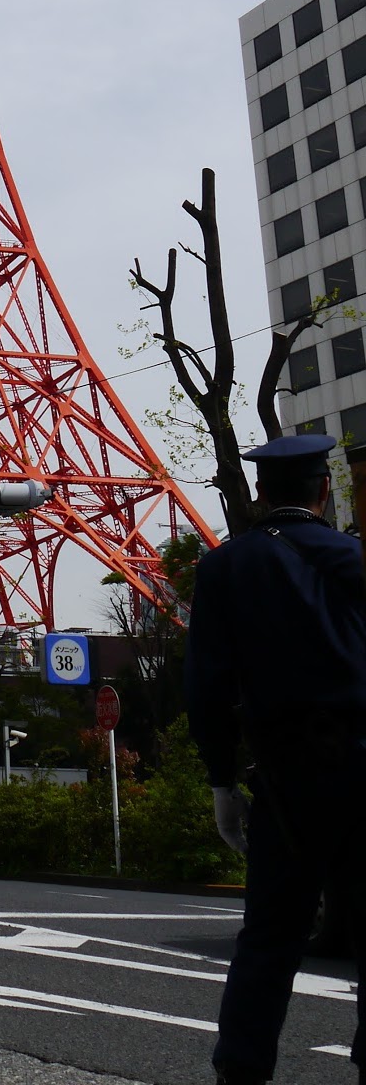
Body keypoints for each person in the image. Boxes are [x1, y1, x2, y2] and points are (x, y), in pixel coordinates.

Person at [185, 432, 366, 1085]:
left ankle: (241, 1068)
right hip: (361, 764)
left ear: (260, 494)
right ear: (323, 490)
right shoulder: (353, 558)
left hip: (284, 776)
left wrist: (219, 779)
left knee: (267, 934)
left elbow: (206, 686)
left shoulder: (223, 568)